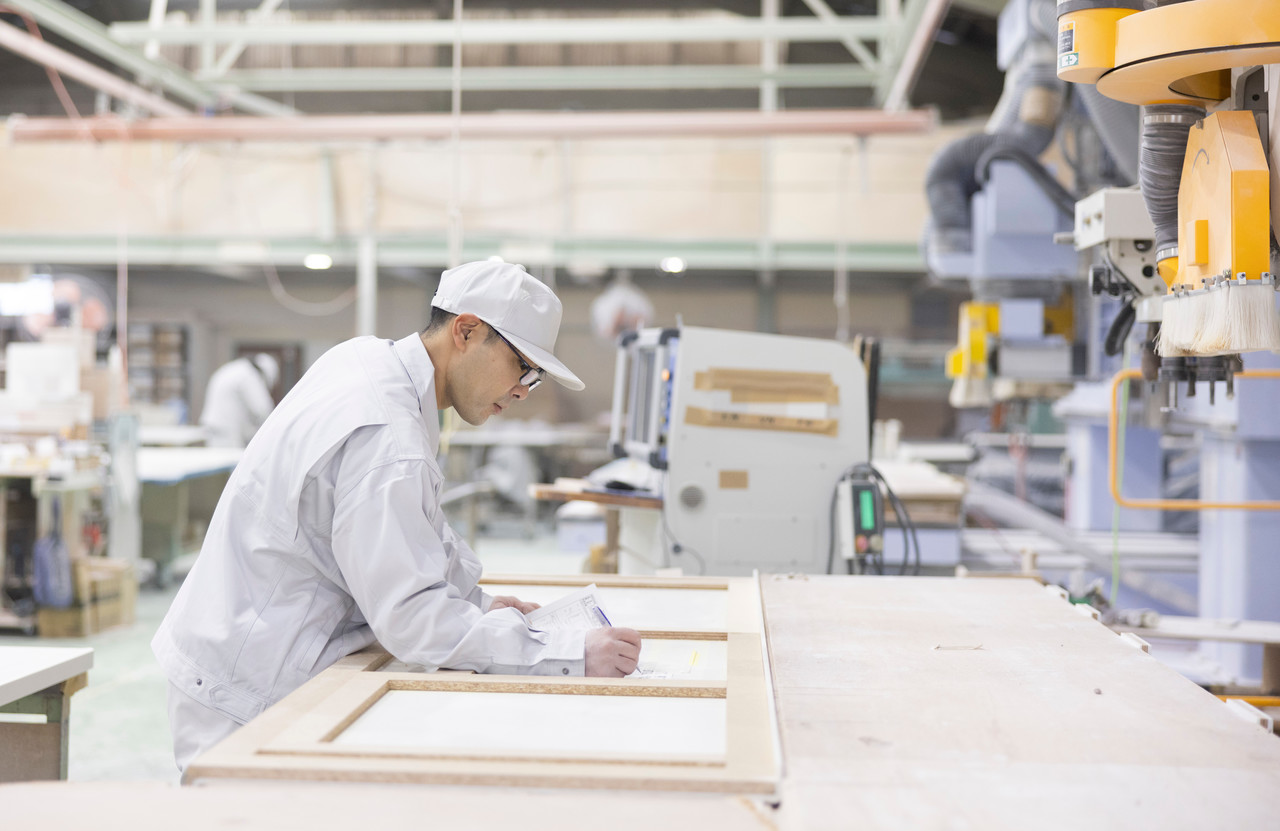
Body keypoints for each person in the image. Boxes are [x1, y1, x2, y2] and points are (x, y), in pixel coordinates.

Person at [153, 261, 643, 772]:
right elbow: (412, 620)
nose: (523, 389)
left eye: (534, 377)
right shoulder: (389, 434)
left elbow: (413, 523)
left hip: (245, 646)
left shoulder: (370, 363)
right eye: (523, 366)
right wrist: (566, 654)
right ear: (467, 330)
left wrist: (480, 600)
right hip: (245, 688)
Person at [199, 353, 279, 448]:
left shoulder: (236, 369)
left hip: (214, 428)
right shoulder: (249, 375)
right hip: (227, 432)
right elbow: (263, 410)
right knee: (228, 460)